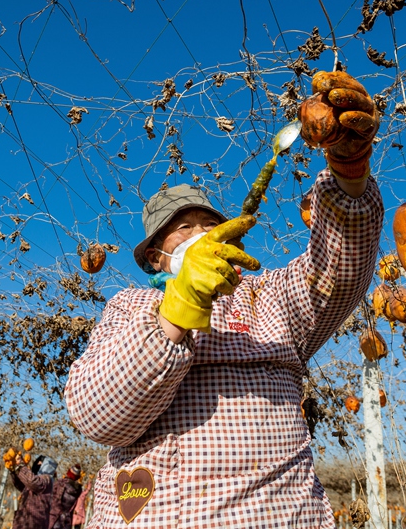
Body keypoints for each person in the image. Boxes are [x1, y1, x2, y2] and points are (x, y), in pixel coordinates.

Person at [65, 69, 383, 527]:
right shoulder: (131, 308)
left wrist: (350, 172)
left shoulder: (268, 294)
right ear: (156, 257)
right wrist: (178, 309)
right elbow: (98, 416)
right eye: (185, 227)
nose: (202, 235)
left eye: (209, 224)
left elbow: (339, 272)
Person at [11, 454, 56, 529]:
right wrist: (14, 470)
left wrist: (21, 466)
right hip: (25, 522)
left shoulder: (46, 479)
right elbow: (21, 485)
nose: (37, 464)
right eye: (38, 462)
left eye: (41, 463)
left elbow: (33, 482)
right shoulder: (36, 479)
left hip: (34, 523)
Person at [48, 465, 83, 529]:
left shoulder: (62, 483)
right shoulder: (78, 489)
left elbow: (51, 495)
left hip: (55, 517)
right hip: (67, 520)